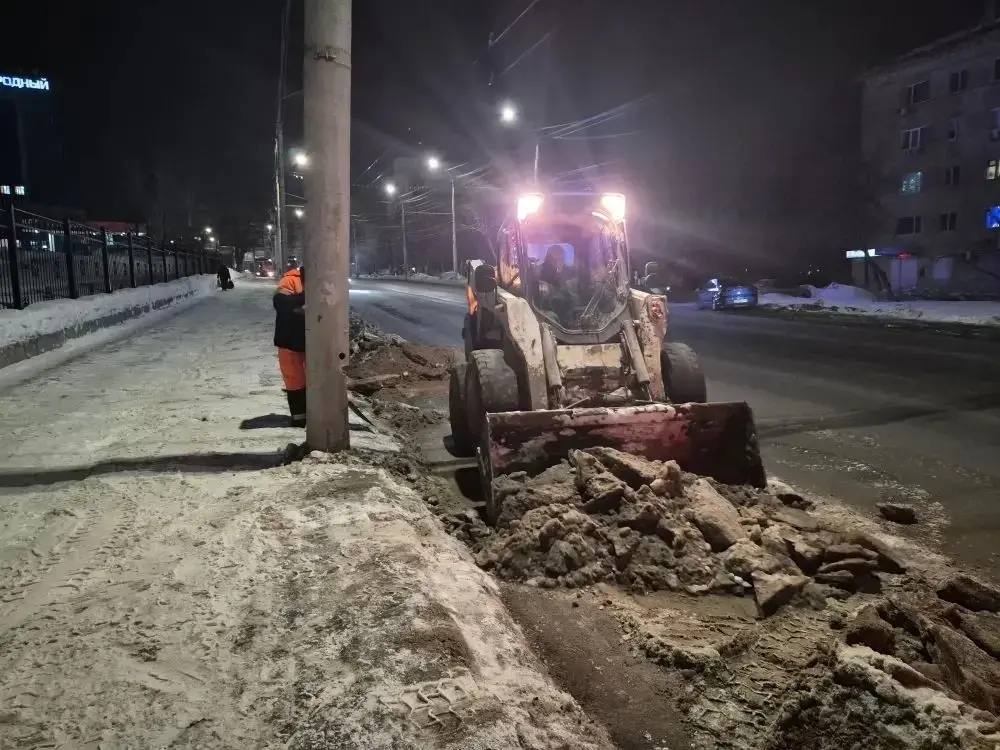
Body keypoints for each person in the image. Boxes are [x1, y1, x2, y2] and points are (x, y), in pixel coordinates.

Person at [273, 265, 306, 427]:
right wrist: (306, 297)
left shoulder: (325, 280)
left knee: (315, 380)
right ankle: (299, 418)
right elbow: (281, 303)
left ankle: (315, 415)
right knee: (294, 380)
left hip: (313, 341)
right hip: (289, 341)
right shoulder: (291, 280)